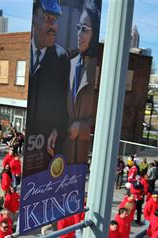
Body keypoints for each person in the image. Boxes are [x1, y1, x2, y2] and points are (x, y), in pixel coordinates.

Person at [24, 0, 70, 177]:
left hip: (44, 147)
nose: (53, 26)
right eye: (46, 18)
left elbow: (62, 104)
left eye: (55, 20)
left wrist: (57, 128)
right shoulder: (25, 50)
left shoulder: (60, 58)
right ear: (34, 19)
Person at [63, 1, 100, 165]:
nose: (79, 34)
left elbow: (101, 116)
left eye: (84, 30)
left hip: (80, 151)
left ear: (94, 35)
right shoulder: (69, 63)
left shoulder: (97, 67)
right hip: (63, 148)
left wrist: (82, 128)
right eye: (78, 28)